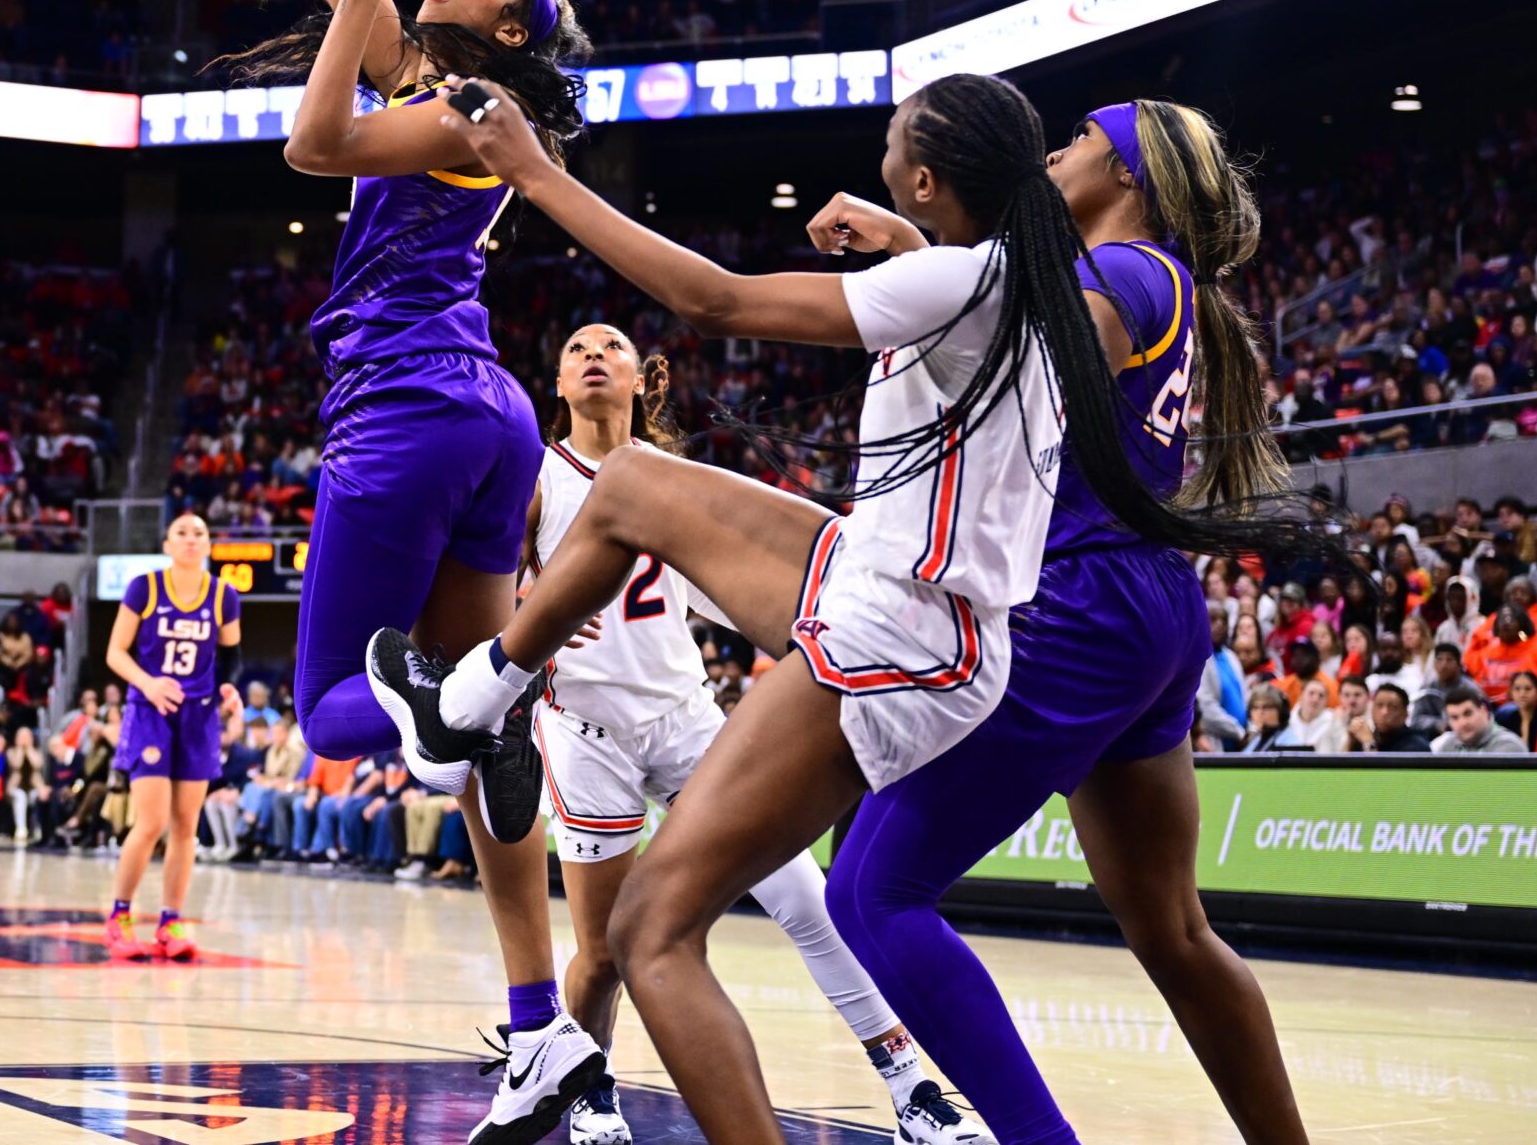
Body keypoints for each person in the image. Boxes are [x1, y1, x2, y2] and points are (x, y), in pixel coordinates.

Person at [377, 83, 1322, 1145]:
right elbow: (994, 318)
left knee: (871, 895)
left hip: (1053, 603)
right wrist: (919, 249)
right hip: (1143, 607)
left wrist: (537, 173)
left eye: (1078, 141)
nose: (1058, 154)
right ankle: (466, 706)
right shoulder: (1137, 281)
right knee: (1173, 929)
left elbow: (1013, 339)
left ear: (1126, 176)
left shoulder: (1115, 274)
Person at [253, 0, 603, 1143]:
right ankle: (544, 1039)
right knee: (489, 738)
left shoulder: (465, 114)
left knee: (335, 709)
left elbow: (312, 137)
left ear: (500, 34)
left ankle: (428, 694)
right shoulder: (452, 93)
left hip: (406, 409)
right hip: (488, 419)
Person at [524, 325, 987, 1145]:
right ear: (559, 383)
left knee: (807, 899)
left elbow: (727, 591)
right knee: (600, 952)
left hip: (686, 718)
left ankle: (911, 1083)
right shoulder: (531, 480)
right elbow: (475, 596)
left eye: (613, 345)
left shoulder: (680, 483)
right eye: (577, 348)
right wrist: (525, 618)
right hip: (585, 731)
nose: (595, 354)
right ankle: (591, 1087)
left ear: (641, 379)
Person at [103, 513, 244, 961]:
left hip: (199, 715)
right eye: (181, 533)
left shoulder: (224, 595)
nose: (190, 539)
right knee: (151, 822)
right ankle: (120, 916)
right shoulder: (144, 587)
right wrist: (147, 683)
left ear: (208, 546)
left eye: (199, 533)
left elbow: (231, 657)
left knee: (186, 826)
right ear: (166, 544)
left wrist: (228, 687)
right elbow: (115, 653)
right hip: (150, 711)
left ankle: (171, 921)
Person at [1432, 688, 1525, 755]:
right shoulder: (1447, 746)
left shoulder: (1509, 746)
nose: (1463, 723)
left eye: (1468, 714)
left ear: (1484, 711)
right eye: (1455, 718)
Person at [1351, 683, 1430, 753]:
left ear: (1405, 714)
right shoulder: (1368, 737)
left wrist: (1369, 743)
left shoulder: (1417, 746)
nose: (1384, 712)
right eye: (1379, 705)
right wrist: (1350, 739)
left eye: (1393, 707)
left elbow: (1380, 770)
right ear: (1372, 710)